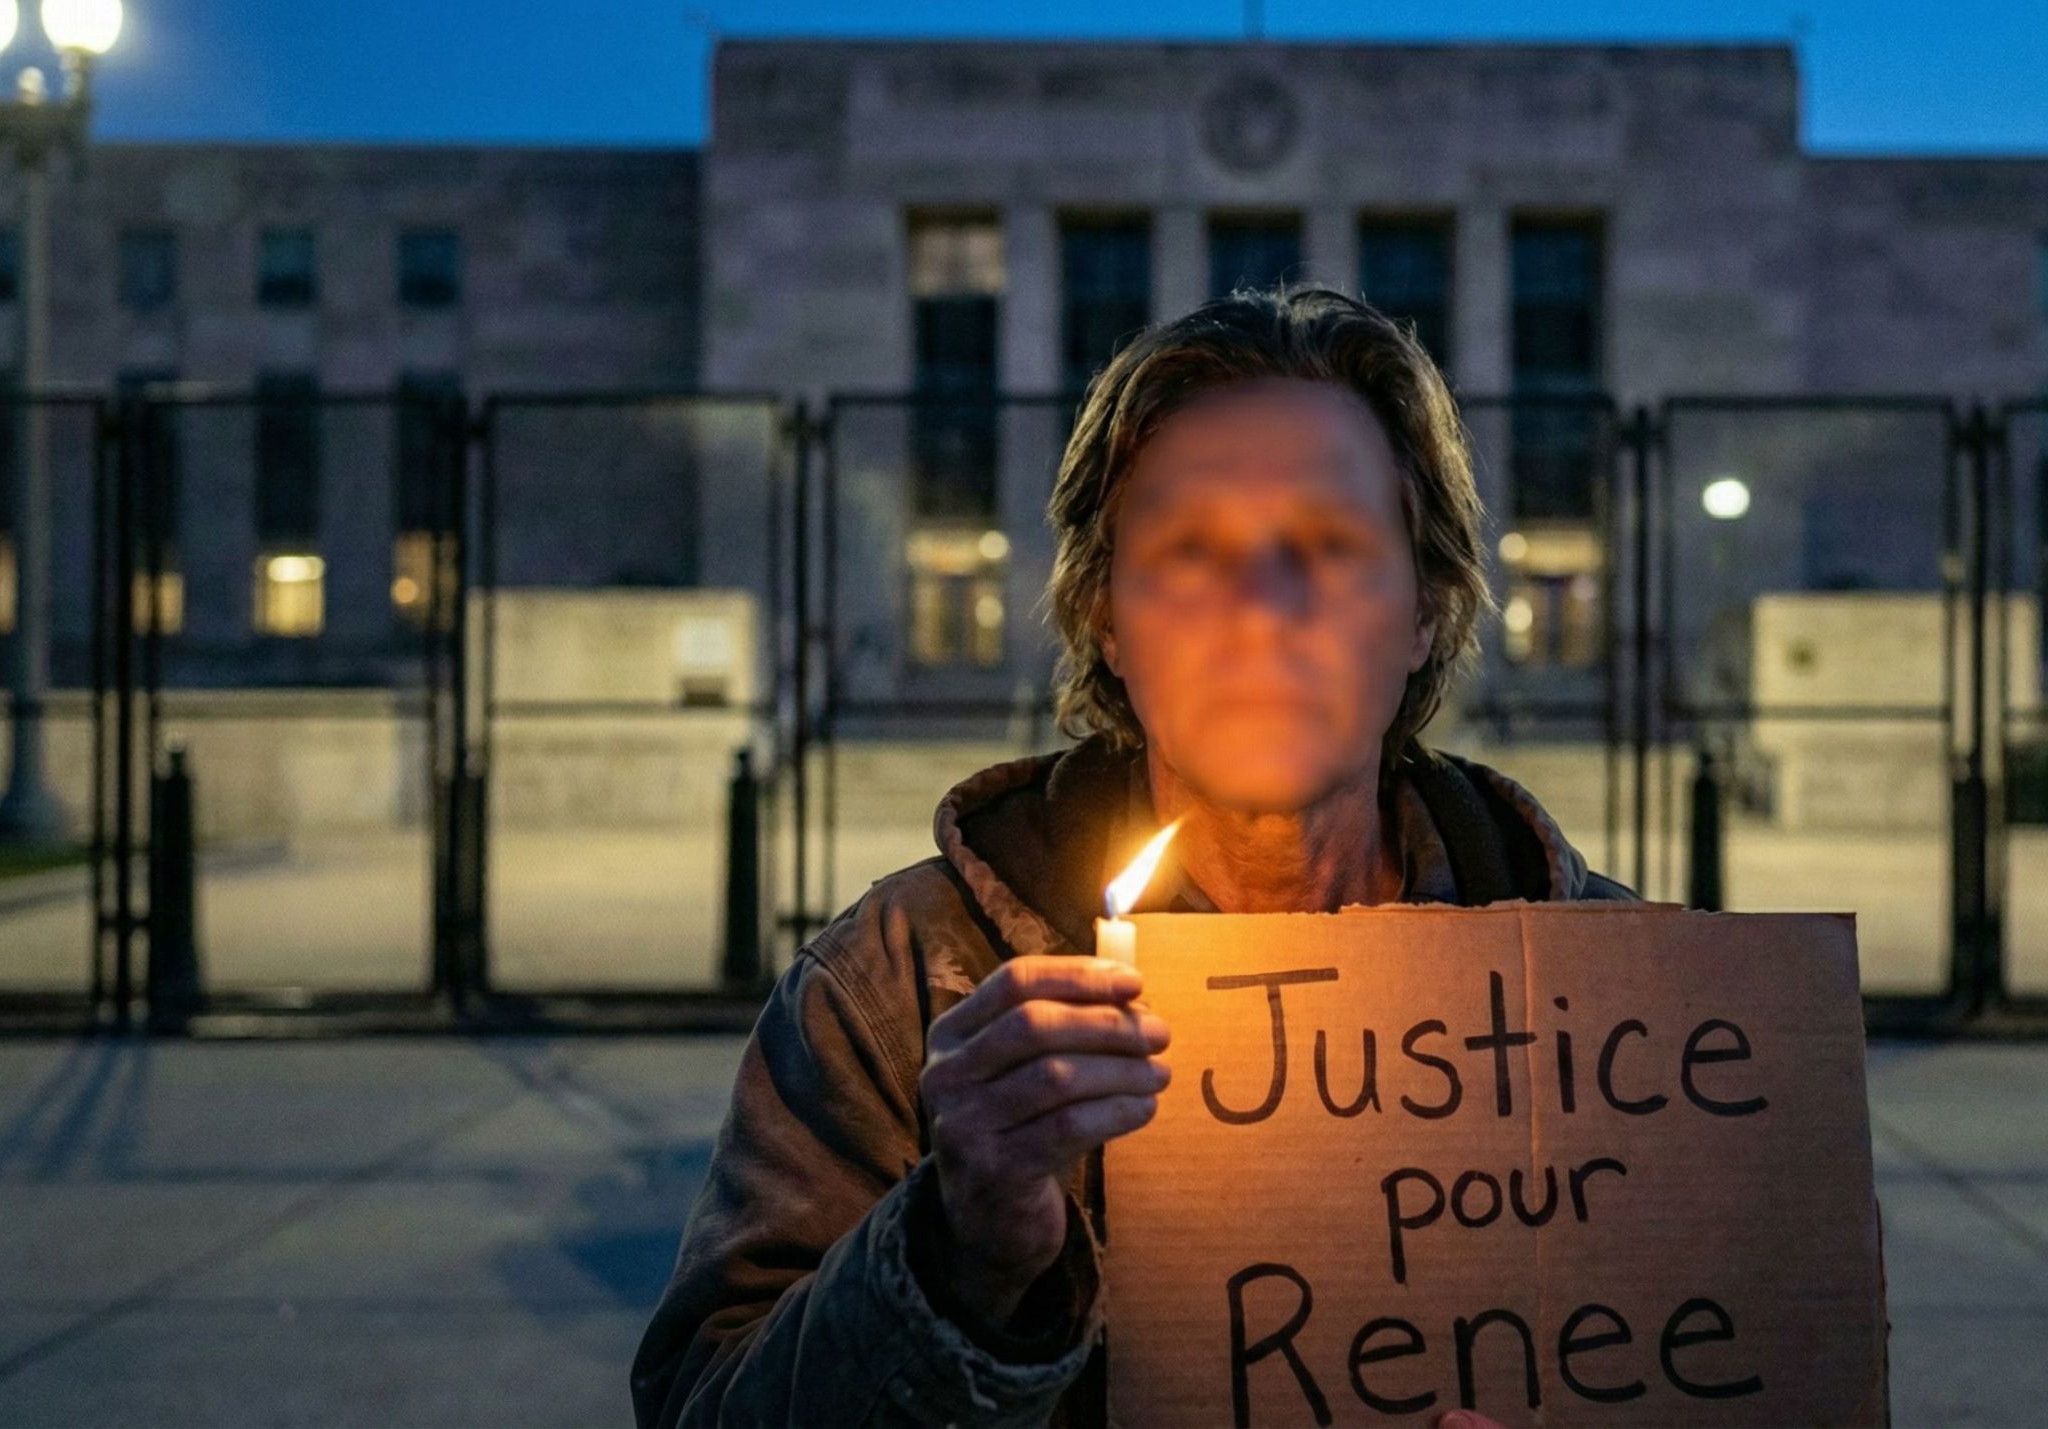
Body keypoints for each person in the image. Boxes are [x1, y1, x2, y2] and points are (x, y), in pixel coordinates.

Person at [630, 285, 1885, 1428]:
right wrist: (958, 1252)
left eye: (1330, 546)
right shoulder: (909, 988)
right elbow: (706, 1408)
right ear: (1102, 619)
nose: (1263, 606)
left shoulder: (1626, 1017)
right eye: (1189, 551)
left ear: (1426, 614)